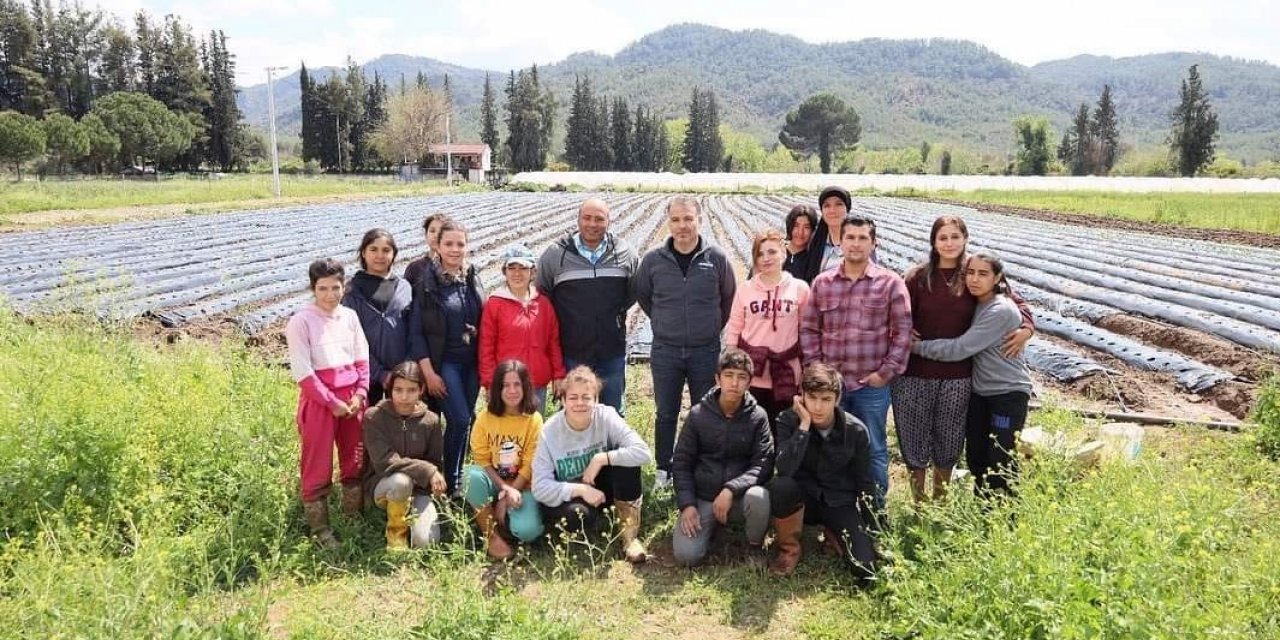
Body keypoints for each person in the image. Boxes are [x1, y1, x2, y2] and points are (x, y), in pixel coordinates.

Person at [892, 216, 1035, 503]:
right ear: (933, 241)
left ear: (965, 239)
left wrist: (1028, 327)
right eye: (942, 237)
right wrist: (901, 333)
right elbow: (894, 312)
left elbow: (1014, 301)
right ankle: (921, 505)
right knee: (915, 442)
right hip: (915, 375)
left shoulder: (973, 271)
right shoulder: (917, 277)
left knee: (950, 443)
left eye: (955, 236)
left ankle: (942, 504)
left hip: (959, 376)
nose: (949, 243)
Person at [800, 215, 911, 505]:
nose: (856, 244)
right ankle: (836, 512)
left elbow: (902, 333)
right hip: (830, 388)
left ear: (873, 243)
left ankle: (875, 512)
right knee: (829, 445)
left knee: (872, 447)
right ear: (841, 243)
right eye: (850, 237)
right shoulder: (823, 283)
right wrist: (816, 371)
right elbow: (809, 328)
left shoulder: (890, 284)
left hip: (870, 386)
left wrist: (884, 374)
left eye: (863, 238)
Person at [635, 196, 737, 489]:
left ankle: (700, 469)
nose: (682, 226)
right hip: (665, 350)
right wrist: (666, 323)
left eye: (688, 219)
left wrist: (710, 328)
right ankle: (664, 471)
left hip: (705, 351)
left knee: (704, 411)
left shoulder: (716, 258)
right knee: (665, 411)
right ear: (668, 222)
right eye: (676, 219)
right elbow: (645, 297)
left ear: (699, 221)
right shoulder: (653, 261)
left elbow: (728, 298)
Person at [285, 258, 370, 549]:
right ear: (313, 288)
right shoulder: (301, 321)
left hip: (352, 401)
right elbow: (303, 372)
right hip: (320, 402)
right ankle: (321, 530)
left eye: (336, 287)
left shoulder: (349, 317)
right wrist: (331, 401)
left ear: (343, 287)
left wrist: (360, 393)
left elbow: (362, 358)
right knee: (317, 462)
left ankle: (353, 517)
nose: (330, 294)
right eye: (323, 288)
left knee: (354, 458)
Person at [768, 363, 878, 582]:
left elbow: (865, 482)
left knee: (866, 569)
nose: (818, 407)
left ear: (837, 400)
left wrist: (875, 530)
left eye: (826, 399)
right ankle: (789, 548)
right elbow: (784, 468)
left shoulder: (855, 431)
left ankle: (834, 533)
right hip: (803, 500)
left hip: (838, 502)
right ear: (802, 397)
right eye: (812, 398)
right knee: (780, 486)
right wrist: (804, 426)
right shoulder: (788, 420)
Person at [532, 365, 652, 563]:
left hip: (600, 483)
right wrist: (580, 489)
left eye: (586, 397)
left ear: (596, 400)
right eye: (573, 397)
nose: (580, 403)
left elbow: (643, 453)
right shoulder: (549, 431)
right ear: (562, 400)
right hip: (570, 494)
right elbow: (539, 488)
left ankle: (630, 539)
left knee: (627, 463)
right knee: (577, 515)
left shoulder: (606, 416)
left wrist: (601, 458)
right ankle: (574, 532)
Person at [670, 348, 774, 567]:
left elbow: (763, 464)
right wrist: (687, 504)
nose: (734, 383)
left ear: (749, 382)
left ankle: (753, 545)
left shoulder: (758, 417)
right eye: (728, 376)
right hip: (703, 497)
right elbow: (681, 463)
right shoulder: (698, 415)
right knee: (686, 557)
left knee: (760, 497)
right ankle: (711, 528)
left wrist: (731, 489)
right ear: (718, 379)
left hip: (739, 498)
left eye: (741, 377)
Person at [536, 198, 638, 414]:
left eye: (599, 219)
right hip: (572, 350)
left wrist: (614, 317)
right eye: (587, 218)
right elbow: (543, 295)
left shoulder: (625, 253)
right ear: (578, 219)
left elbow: (634, 292)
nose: (592, 224)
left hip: (612, 349)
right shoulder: (556, 254)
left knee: (612, 413)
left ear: (609, 221)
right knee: (573, 411)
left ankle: (611, 449)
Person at [412, 218, 487, 494]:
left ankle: (457, 476)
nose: (455, 249)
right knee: (458, 418)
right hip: (446, 363)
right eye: (449, 244)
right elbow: (416, 333)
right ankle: (451, 481)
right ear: (438, 246)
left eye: (460, 244)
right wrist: (429, 373)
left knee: (465, 419)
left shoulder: (471, 277)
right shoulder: (427, 283)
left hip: (472, 363)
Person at [724, 229, 811, 426]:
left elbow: (806, 331)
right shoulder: (745, 289)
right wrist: (731, 366)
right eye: (760, 254)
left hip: (787, 373)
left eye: (771, 252)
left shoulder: (800, 288)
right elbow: (735, 329)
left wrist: (808, 367)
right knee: (752, 428)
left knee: (784, 427)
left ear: (784, 253)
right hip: (753, 373)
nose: (766, 258)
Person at [464, 360, 546, 559]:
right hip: (494, 480)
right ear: (497, 389)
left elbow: (529, 464)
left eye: (517, 384)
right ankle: (490, 535)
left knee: (528, 532)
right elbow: (482, 459)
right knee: (469, 476)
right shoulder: (485, 418)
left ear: (525, 387)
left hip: (523, 483)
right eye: (505, 385)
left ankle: (505, 521)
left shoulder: (534, 419)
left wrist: (511, 492)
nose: (512, 391)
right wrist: (504, 490)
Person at [362, 361, 446, 550]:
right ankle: (396, 535)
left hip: (419, 490)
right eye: (398, 390)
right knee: (401, 482)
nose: (404, 397)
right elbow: (385, 462)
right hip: (385, 485)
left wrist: (432, 472)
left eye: (411, 390)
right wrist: (427, 470)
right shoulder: (373, 417)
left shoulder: (431, 421)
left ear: (421, 390)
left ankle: (411, 517)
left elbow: (434, 461)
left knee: (427, 543)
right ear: (390, 389)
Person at [480, 243, 565, 412]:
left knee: (534, 433)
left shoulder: (543, 304)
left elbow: (553, 343)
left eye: (523, 268)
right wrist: (489, 383)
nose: (517, 273)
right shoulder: (495, 304)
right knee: (506, 436)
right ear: (504, 271)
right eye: (512, 268)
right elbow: (486, 347)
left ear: (532, 272)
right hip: (506, 386)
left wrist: (558, 375)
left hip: (537, 384)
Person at [343, 228, 421, 407]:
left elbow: (414, 331)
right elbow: (351, 338)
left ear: (394, 254)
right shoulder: (352, 291)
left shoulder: (404, 287)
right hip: (365, 375)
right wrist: (379, 373)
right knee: (370, 427)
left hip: (403, 377)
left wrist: (404, 369)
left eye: (386, 250)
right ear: (363, 253)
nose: (380, 255)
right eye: (373, 249)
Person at [796, 186, 853, 282]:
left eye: (839, 204)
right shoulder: (815, 243)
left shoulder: (860, 243)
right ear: (822, 211)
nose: (832, 210)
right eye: (827, 206)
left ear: (847, 209)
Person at [404, 212, 449, 287]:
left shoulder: (455, 266)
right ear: (426, 235)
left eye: (441, 231)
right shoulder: (414, 268)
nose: (436, 235)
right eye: (432, 231)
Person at [782, 204, 817, 281]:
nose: (800, 232)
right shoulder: (775, 253)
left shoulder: (814, 261)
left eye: (806, 227)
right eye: (796, 226)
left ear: (813, 231)